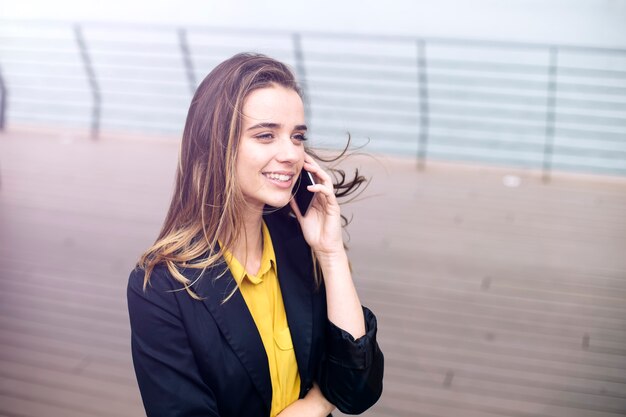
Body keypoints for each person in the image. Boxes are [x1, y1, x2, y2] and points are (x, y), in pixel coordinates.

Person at [127, 52, 384, 417]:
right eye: (266, 135)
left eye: (297, 137)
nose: (291, 154)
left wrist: (331, 255)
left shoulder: (298, 246)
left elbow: (357, 390)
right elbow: (336, 393)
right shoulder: (160, 286)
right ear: (216, 145)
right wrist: (318, 402)